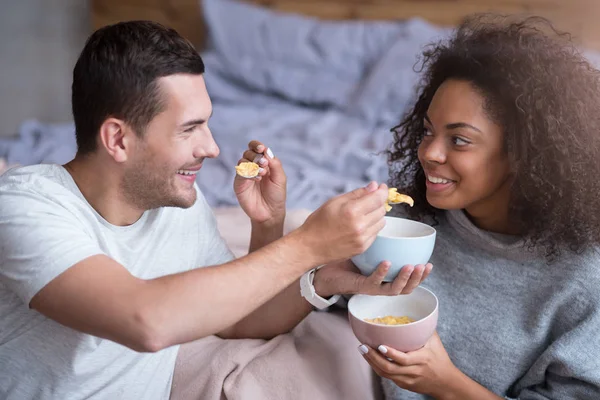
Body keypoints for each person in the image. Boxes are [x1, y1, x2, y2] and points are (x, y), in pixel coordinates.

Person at [0, 21, 433, 400]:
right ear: (117, 139)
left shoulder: (173, 205)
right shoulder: (24, 207)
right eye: (190, 129)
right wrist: (307, 244)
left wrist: (286, 243)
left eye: (207, 124)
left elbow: (239, 318)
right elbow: (146, 320)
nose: (212, 148)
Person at [357, 14, 600, 400]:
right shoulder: (403, 225)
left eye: (460, 140)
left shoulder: (584, 280)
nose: (429, 153)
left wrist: (445, 384)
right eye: (428, 131)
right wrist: (271, 222)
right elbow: (281, 308)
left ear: (524, 155)